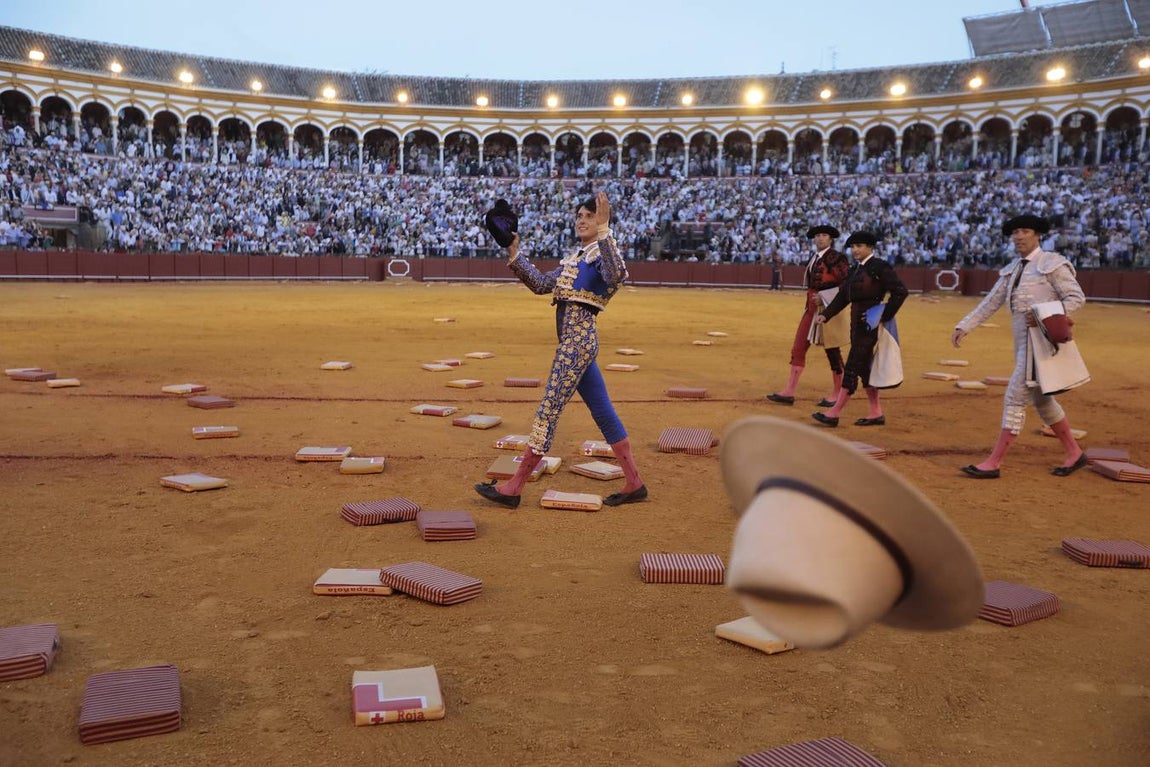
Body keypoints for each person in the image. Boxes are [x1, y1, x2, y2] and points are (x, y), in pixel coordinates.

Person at [474, 191, 647, 509]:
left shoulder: (602, 257)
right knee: (604, 412)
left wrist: (606, 230)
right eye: (579, 215)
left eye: (589, 216)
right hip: (577, 345)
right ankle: (634, 481)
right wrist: (514, 250)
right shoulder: (576, 261)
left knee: (548, 410)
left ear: (601, 221)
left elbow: (617, 274)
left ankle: (514, 486)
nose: (581, 220)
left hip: (575, 345)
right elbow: (541, 283)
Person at [951, 214, 1087, 478]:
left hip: (1043, 344)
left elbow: (1076, 298)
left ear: (1037, 234)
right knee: (1042, 400)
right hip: (1022, 345)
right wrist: (965, 325)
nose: (1018, 236)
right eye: (1015, 232)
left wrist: (1043, 314)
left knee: (1015, 395)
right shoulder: (1013, 268)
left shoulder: (1052, 264)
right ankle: (1074, 452)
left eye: (1024, 231)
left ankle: (994, 462)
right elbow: (992, 301)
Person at [811, 231, 908, 427]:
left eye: (860, 246)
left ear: (870, 247)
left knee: (853, 366)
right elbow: (843, 297)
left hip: (869, 325)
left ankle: (834, 412)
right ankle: (876, 412)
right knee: (863, 368)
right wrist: (826, 314)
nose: (855, 250)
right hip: (856, 325)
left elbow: (900, 292)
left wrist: (883, 314)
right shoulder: (856, 270)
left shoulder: (879, 267)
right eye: (853, 247)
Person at [766, 225, 849, 407]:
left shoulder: (836, 258)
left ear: (830, 239)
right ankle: (789, 392)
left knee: (832, 351)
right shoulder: (815, 257)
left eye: (824, 235)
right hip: (811, 309)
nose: (820, 238)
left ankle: (837, 393)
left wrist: (825, 297)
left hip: (828, 309)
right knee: (798, 347)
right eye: (818, 235)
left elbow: (847, 284)